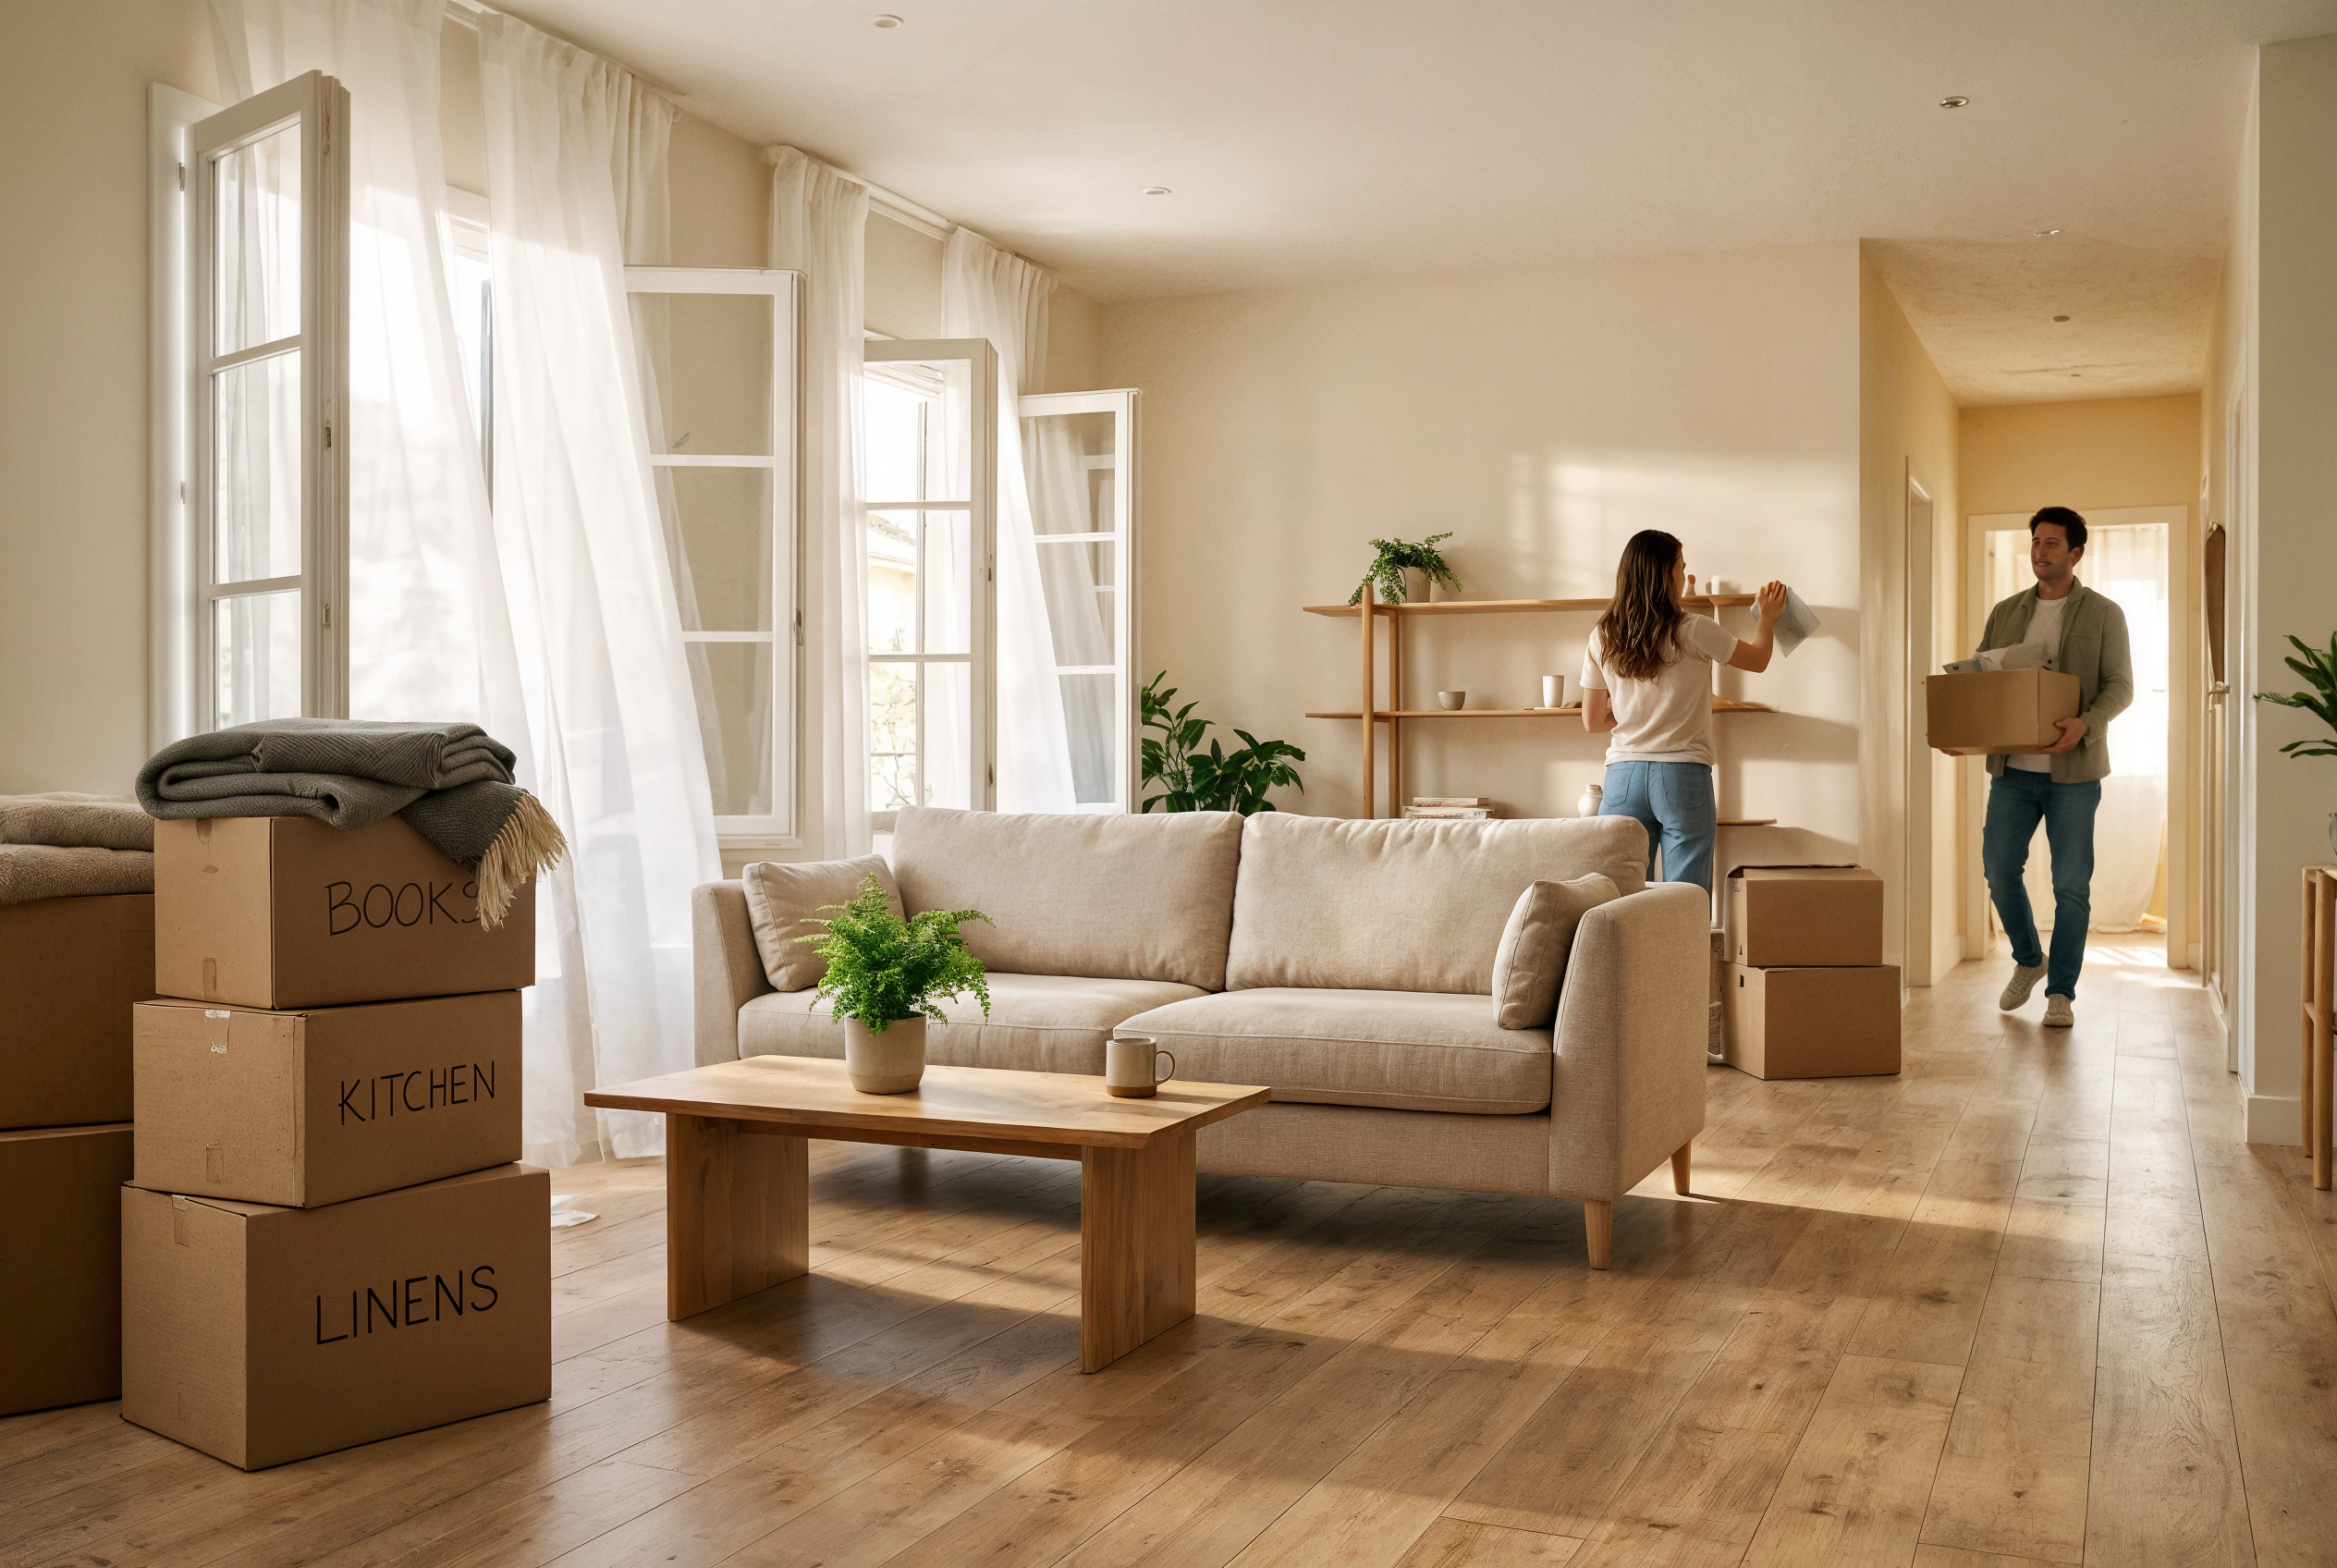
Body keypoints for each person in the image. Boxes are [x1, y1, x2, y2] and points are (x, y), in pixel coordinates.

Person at [1960, 507, 2132, 1028]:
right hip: (2012, 771)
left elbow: (2120, 686)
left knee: (2070, 885)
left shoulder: (2105, 614)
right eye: (2036, 542)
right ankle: (2029, 960)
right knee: (1997, 869)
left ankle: (2062, 992)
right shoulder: (2005, 611)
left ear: (2076, 553)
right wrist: (1964, 734)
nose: (2041, 551)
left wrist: (2087, 723)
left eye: (2053, 544)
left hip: (2075, 774)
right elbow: (1985, 685)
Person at [1581, 530, 1787, 891]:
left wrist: (1634, 714)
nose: (1683, 576)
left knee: (1619, 899)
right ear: (1664, 574)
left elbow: (1593, 720)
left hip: (1622, 777)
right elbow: (1758, 660)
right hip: (1682, 776)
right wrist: (1767, 618)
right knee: (1685, 901)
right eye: (1681, 568)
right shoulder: (1694, 629)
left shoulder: (1602, 635)